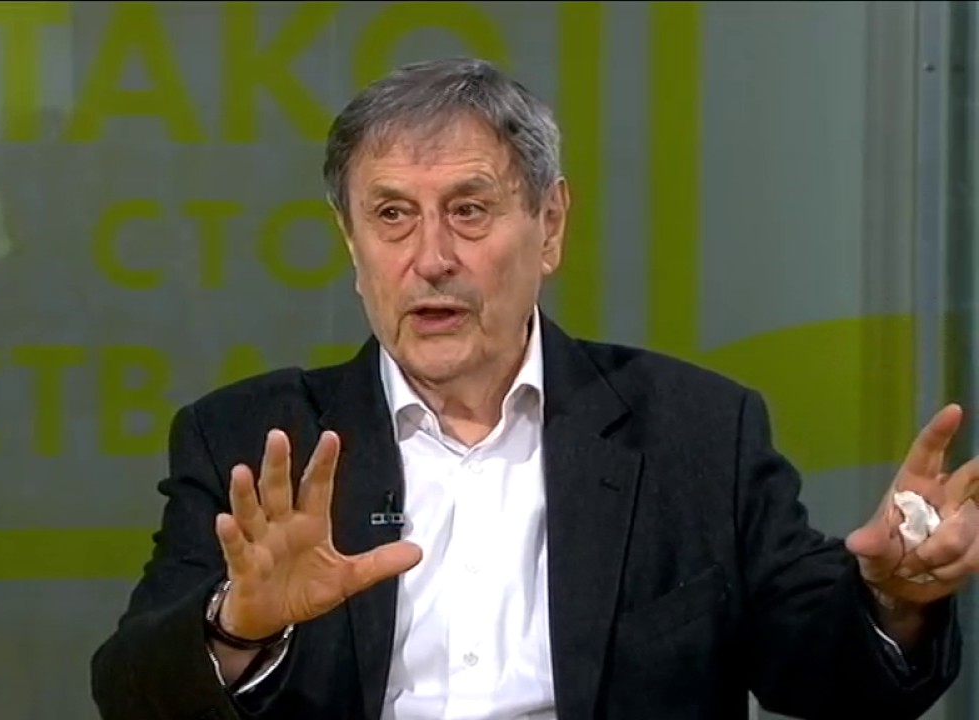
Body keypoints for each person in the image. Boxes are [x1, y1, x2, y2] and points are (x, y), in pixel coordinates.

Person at [89, 57, 977, 720]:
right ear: (352, 245)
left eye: (469, 210)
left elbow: (821, 677)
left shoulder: (696, 432)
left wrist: (896, 602)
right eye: (392, 215)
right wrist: (236, 629)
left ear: (550, 226)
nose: (431, 258)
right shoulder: (253, 440)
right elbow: (130, 694)